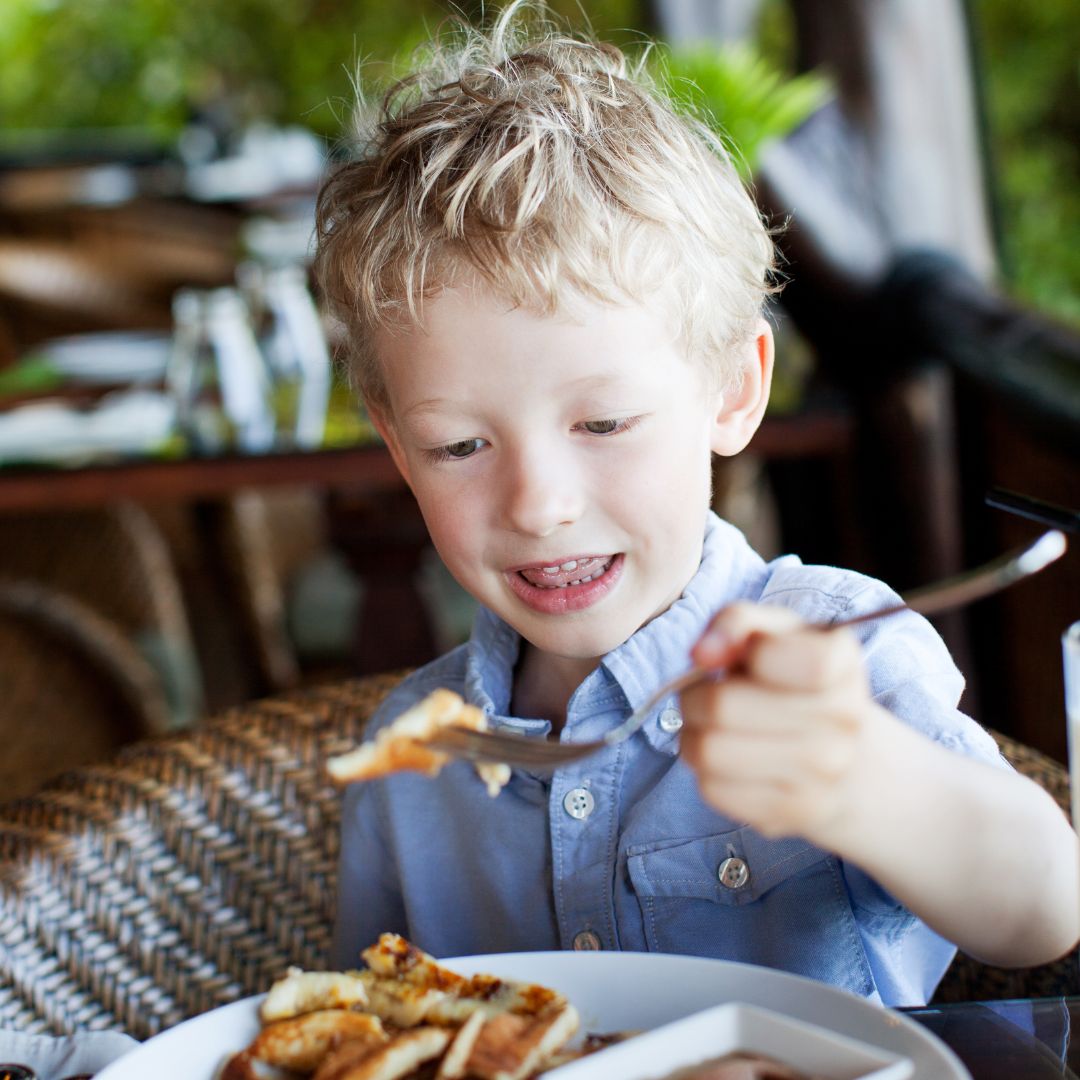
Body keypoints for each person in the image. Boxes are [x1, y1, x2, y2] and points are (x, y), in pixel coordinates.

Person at [315, 0, 1079, 1006]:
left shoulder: (835, 656)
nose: (539, 504)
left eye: (603, 425)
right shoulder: (413, 755)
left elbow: (1044, 909)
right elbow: (370, 1030)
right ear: (396, 446)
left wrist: (867, 783)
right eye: (459, 445)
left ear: (733, 390)